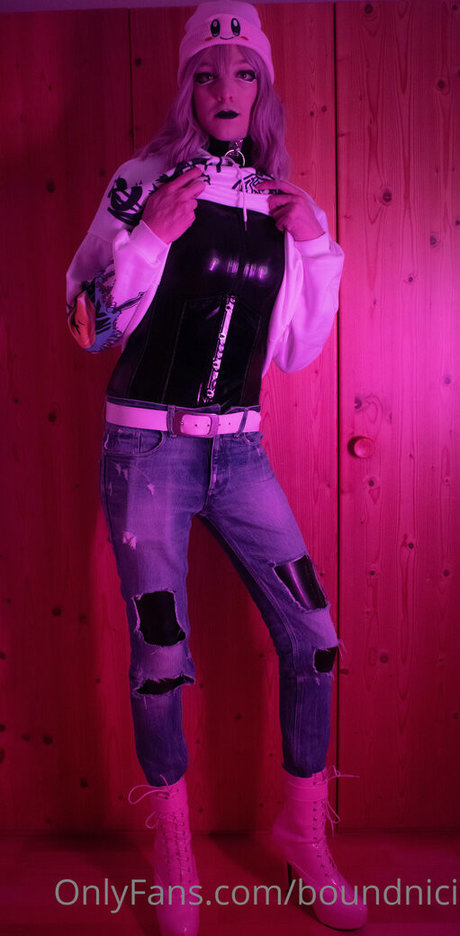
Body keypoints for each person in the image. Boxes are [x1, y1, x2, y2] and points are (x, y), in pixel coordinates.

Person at [66, 2, 367, 932]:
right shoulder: (141, 181)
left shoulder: (281, 203)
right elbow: (86, 323)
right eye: (207, 72)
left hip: (239, 450)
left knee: (314, 638)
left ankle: (302, 833)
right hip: (147, 448)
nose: (225, 90)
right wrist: (151, 234)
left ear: (261, 88)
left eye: (243, 73)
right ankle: (175, 852)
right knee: (160, 657)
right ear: (186, 86)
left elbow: (298, 354)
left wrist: (315, 242)